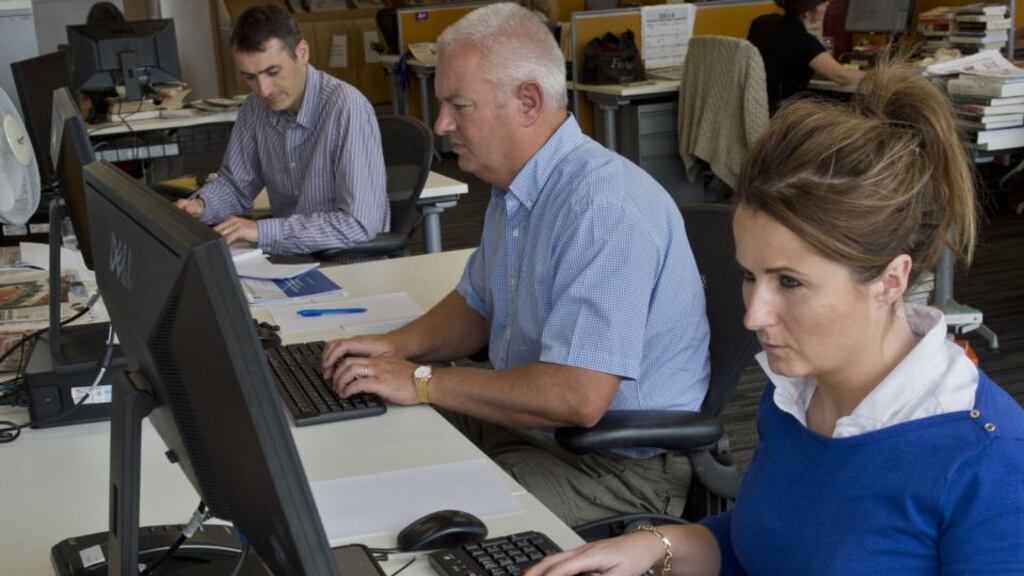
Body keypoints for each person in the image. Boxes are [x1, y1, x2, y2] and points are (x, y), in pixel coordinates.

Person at [526, 64, 1024, 575]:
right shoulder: (795, 392)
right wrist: (654, 545)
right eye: (748, 275)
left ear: (891, 281)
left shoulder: (987, 458)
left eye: (789, 282)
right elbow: (763, 545)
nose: (753, 316)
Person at [321, 2, 711, 527]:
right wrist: (396, 347)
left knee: (415, 518)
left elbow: (577, 397)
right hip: (533, 427)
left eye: (459, 106)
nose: (441, 125)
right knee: (366, 444)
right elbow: (477, 306)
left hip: (612, 465)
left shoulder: (603, 207)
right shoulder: (519, 189)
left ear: (528, 101)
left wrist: (418, 380)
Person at [176, 4, 388, 256]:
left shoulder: (346, 108)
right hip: (289, 258)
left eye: (272, 72)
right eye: (250, 77)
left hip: (349, 263)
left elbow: (358, 224)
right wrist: (201, 205)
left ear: (302, 53)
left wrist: (262, 231)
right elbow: (236, 186)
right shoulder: (255, 108)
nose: (264, 90)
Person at [747, 0, 864, 112]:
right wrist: (875, 74)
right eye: (823, 3)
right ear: (809, 13)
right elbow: (842, 77)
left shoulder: (761, 23)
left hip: (754, 112)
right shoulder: (803, 41)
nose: (827, 4)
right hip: (783, 118)